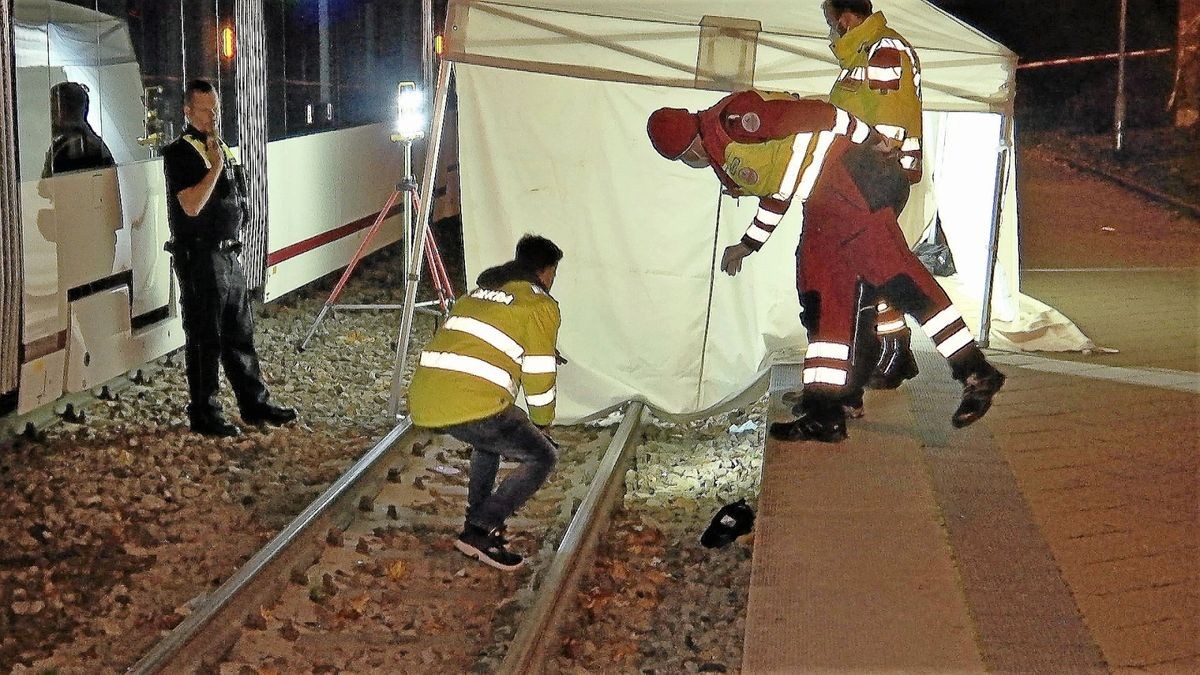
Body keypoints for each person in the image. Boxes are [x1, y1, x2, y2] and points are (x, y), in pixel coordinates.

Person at [646, 90, 1004, 443]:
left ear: (687, 146)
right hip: (822, 201)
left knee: (902, 283)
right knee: (820, 298)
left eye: (683, 157)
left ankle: (976, 371)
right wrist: (748, 244)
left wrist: (874, 139)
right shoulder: (725, 143)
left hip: (851, 184)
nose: (692, 162)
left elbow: (823, 114)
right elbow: (780, 188)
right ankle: (825, 410)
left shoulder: (735, 119)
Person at [408, 235, 564, 571]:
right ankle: (479, 529)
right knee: (541, 456)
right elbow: (539, 374)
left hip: (427, 396)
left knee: (488, 439)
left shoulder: (479, 293)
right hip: (472, 399)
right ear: (546, 271)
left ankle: (478, 519)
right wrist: (541, 422)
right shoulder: (539, 304)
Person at [162, 79, 296, 437]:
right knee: (205, 337)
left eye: (216, 110)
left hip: (228, 253)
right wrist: (216, 168)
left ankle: (254, 403)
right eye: (205, 110)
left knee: (240, 332)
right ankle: (204, 412)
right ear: (187, 111)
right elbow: (190, 205)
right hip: (200, 255)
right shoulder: (179, 153)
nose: (212, 117)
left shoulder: (220, 147)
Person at [822, 0, 926, 404]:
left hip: (877, 175)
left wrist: (862, 167)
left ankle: (853, 381)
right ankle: (896, 353)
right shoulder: (864, 53)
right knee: (872, 269)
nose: (832, 31)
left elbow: (888, 123)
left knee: (859, 276)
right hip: (867, 176)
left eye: (832, 22)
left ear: (846, 18)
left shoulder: (883, 50)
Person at [42, 82, 115, 178]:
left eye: (55, 107)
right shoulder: (92, 144)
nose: (52, 114)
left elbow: (47, 188)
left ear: (64, 109)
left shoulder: (75, 148)